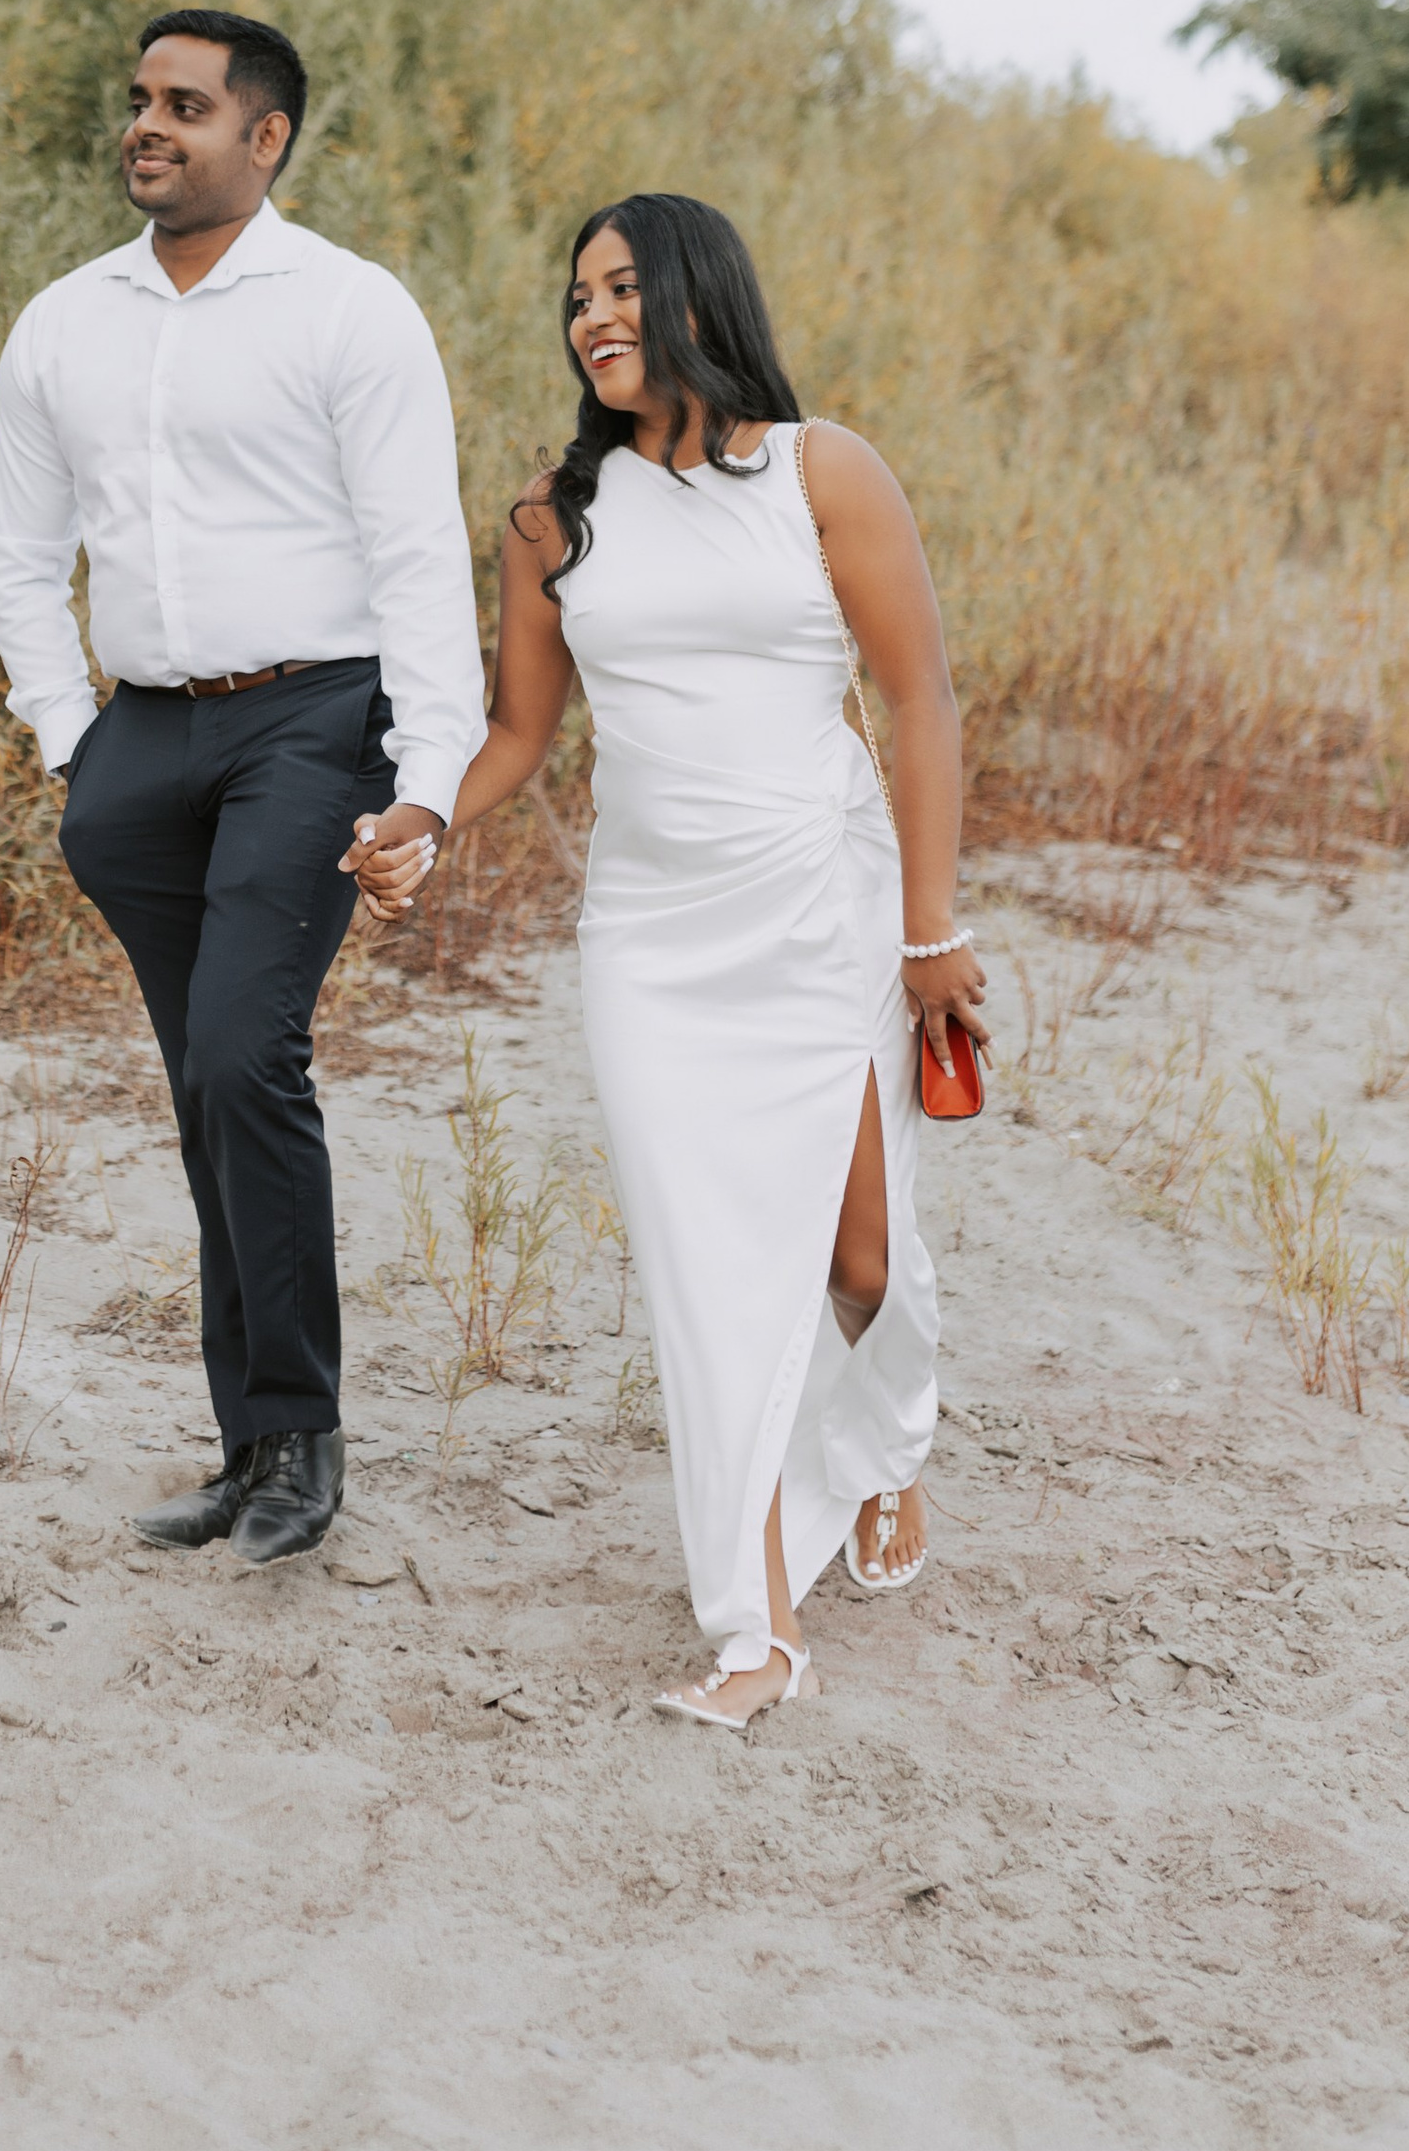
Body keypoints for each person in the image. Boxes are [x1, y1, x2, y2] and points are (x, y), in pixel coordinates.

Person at [345, 194, 986, 1721]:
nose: (594, 318)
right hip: (650, 941)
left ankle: (889, 1447)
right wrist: (429, 819)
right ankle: (754, 1631)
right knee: (708, 1280)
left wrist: (931, 931)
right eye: (577, 298)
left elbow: (924, 704)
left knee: (856, 1258)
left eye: (624, 287)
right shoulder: (553, 520)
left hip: (820, 911)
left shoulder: (824, 472)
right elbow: (519, 733)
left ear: (702, 291)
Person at [0, 10, 485, 1565]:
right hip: (138, 748)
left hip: (312, 726)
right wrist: (73, 743)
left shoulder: (351, 310)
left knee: (242, 1052)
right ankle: (252, 1448)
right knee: (206, 1085)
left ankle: (305, 1442)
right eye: (138, 101)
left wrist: (429, 784)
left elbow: (418, 553)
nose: (148, 126)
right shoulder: (66, 320)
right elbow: (17, 543)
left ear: (264, 137)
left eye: (184, 106)